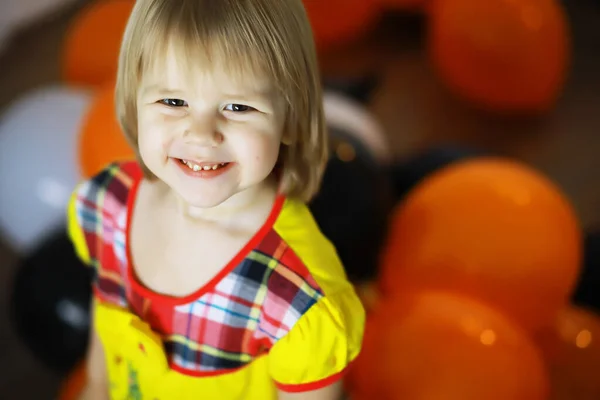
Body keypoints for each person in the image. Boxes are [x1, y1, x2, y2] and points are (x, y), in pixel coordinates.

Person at [66, 0, 366, 399]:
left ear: (291, 118)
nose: (202, 134)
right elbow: (101, 359)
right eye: (173, 102)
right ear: (135, 100)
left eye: (238, 107)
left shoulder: (295, 296)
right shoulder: (108, 204)